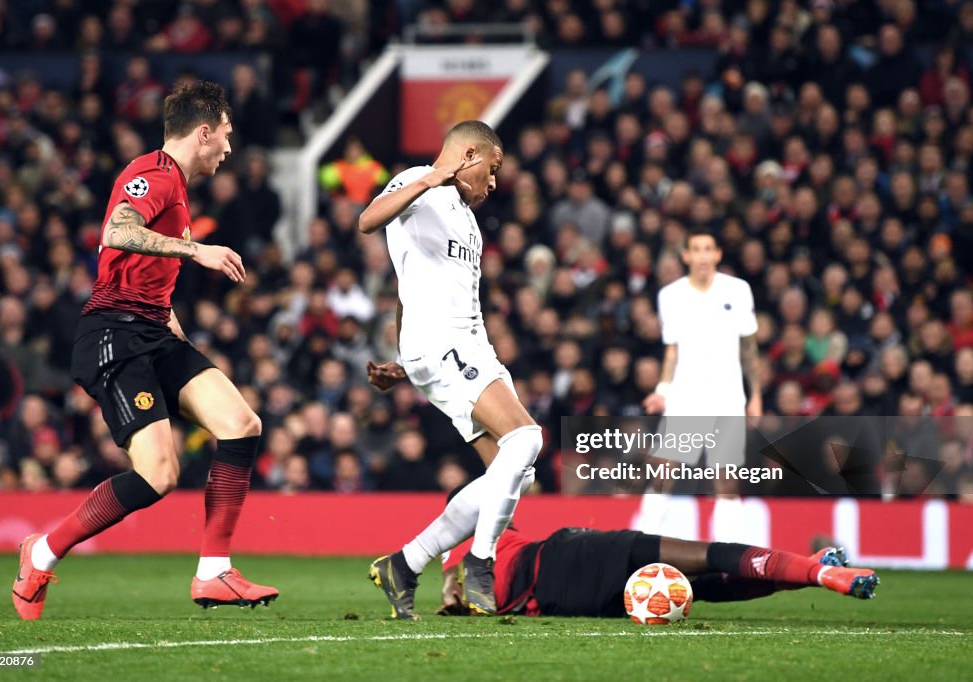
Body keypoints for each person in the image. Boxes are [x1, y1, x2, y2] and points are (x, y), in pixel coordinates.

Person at [11, 82, 277, 621]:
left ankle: (213, 571)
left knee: (240, 423)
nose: (229, 148)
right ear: (203, 132)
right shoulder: (153, 174)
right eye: (225, 136)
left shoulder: (177, 186)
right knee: (159, 474)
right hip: (113, 332)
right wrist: (196, 249)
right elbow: (117, 230)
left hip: (154, 330)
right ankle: (40, 552)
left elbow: (147, 279)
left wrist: (176, 333)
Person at [359, 120, 543, 618]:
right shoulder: (418, 181)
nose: (495, 181)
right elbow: (367, 220)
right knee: (527, 439)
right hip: (445, 346)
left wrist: (402, 359)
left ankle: (406, 562)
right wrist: (432, 177)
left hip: (465, 346)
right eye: (493, 168)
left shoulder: (467, 218)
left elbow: (408, 284)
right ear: (468, 155)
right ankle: (479, 564)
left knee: (517, 471)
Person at [436, 487, 880, 618]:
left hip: (567, 603)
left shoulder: (456, 556)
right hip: (569, 554)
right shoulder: (484, 537)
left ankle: (806, 573)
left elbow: (451, 592)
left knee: (696, 589)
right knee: (708, 555)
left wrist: (452, 604)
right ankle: (818, 573)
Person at [641, 227, 762, 542]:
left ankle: (728, 554)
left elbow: (749, 348)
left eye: (709, 249)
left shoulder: (738, 291)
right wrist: (663, 390)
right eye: (696, 249)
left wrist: (756, 396)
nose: (703, 256)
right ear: (686, 256)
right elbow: (672, 350)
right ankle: (642, 545)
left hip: (728, 397)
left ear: (718, 254)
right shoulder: (671, 295)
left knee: (727, 482)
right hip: (685, 397)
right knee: (663, 474)